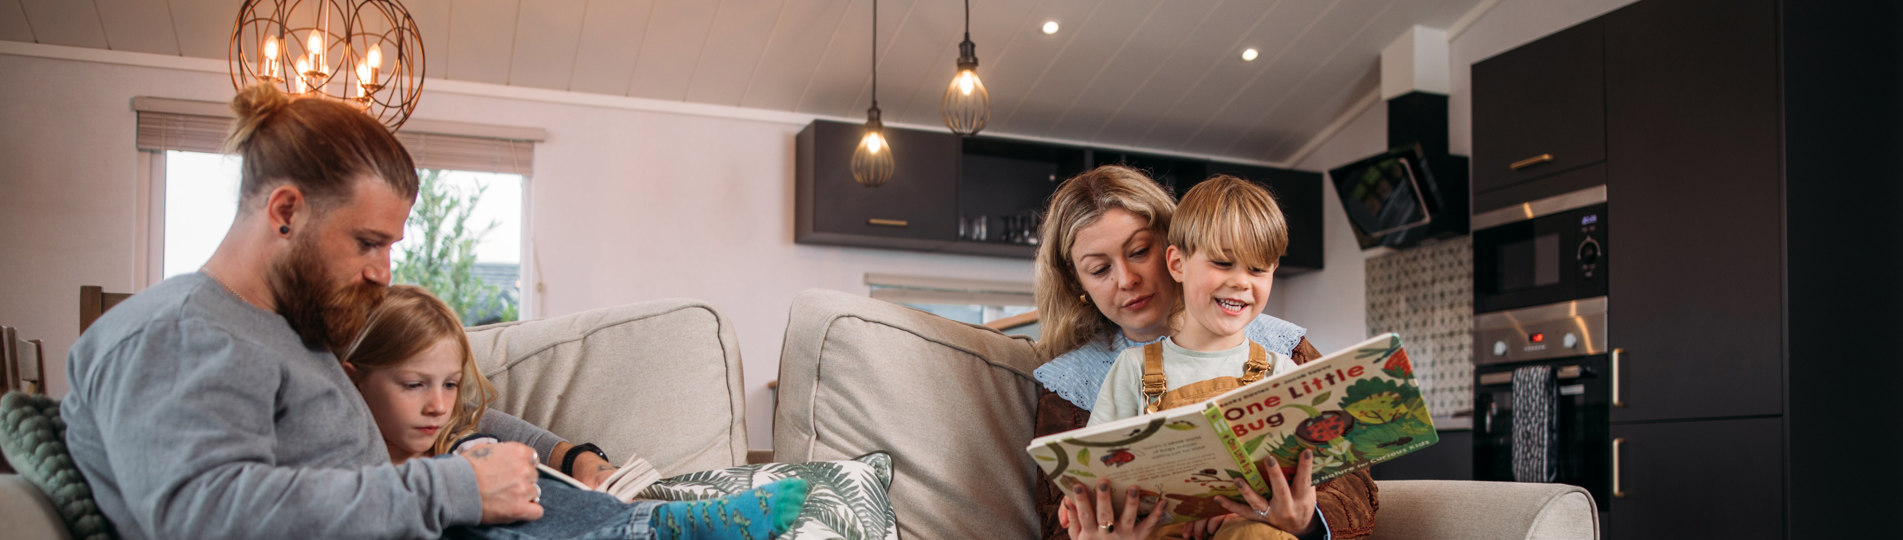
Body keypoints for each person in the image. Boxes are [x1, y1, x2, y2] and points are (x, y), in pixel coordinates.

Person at [64, 84, 578, 539]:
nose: (384, 271)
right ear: (286, 211)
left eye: (390, 247)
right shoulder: (179, 330)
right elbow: (201, 514)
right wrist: (452, 489)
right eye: (368, 242)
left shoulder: (295, 330)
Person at [1030, 166, 1378, 540]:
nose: (1127, 279)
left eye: (1140, 251)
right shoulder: (1076, 383)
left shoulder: (1280, 351)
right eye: (1099, 269)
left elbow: (1347, 478)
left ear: (1171, 249)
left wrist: (1298, 519)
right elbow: (1063, 516)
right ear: (1076, 279)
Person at [341, 285, 806, 540]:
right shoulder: (339, 464)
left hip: (556, 517)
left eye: (449, 384)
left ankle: (670, 524)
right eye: (413, 385)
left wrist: (578, 460)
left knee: (510, 469)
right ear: (354, 378)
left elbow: (482, 423)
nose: (437, 405)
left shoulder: (457, 431)